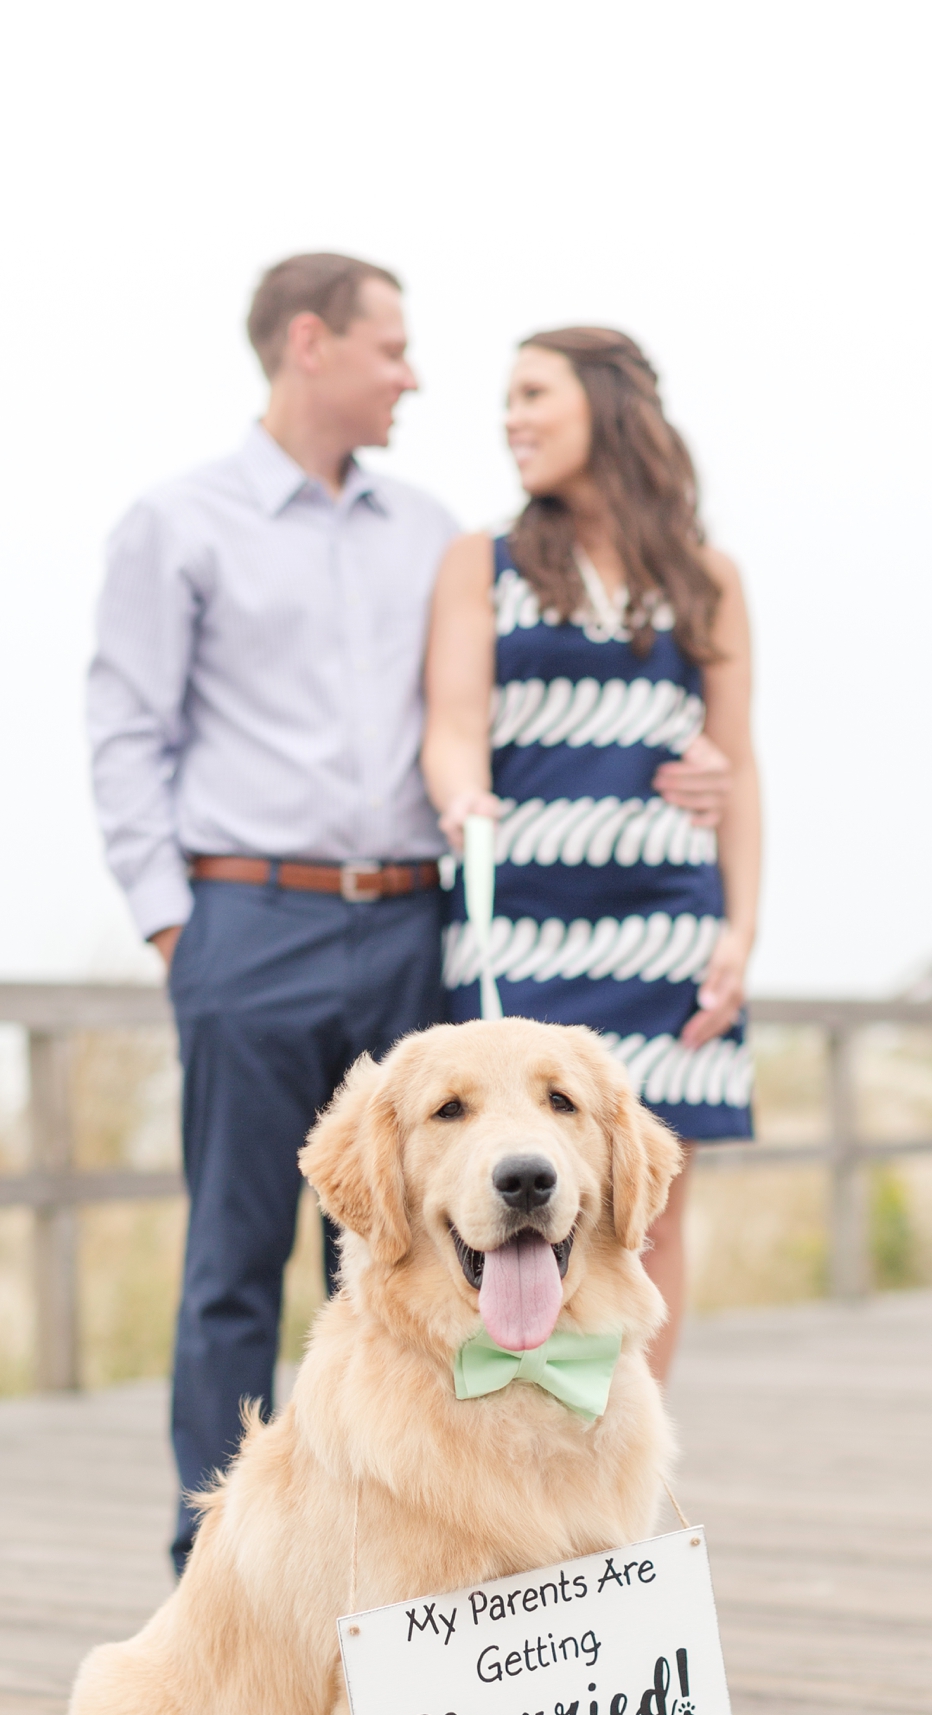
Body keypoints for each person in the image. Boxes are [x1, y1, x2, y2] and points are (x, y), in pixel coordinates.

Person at [88, 253, 458, 1571]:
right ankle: (228, 1574)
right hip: (250, 926)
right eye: (393, 347)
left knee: (406, 1260)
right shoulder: (177, 522)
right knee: (235, 1265)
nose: (413, 373)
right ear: (312, 343)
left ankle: (399, 1546)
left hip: (413, 931)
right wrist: (177, 929)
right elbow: (127, 730)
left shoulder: (433, 529)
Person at [421, 327, 761, 1381]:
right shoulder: (481, 561)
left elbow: (737, 765)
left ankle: (622, 1476)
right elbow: (451, 723)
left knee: (644, 1220)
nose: (512, 419)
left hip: (665, 935)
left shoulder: (705, 577)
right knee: (502, 1215)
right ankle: (518, 1489)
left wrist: (741, 934)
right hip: (515, 930)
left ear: (607, 407)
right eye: (508, 401)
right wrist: (458, 792)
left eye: (535, 395)